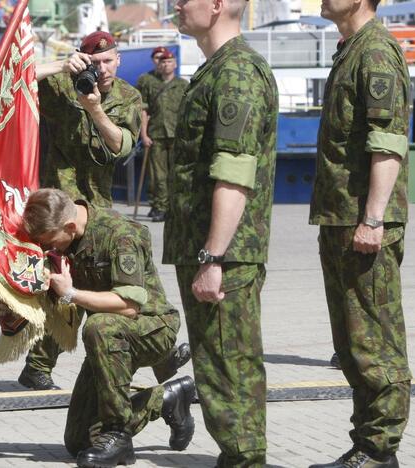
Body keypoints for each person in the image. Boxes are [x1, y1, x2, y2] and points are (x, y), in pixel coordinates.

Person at [162, 0, 278, 466]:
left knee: (229, 367)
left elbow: (234, 174)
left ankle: (245, 459)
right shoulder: (215, 70)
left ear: (216, 6)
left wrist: (213, 257)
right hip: (208, 249)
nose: (176, 4)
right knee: (216, 367)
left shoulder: (236, 73)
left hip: (223, 255)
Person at [21, 188, 196, 468]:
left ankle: (118, 435)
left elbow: (128, 305)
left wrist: (71, 293)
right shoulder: (69, 237)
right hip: (109, 339)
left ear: (69, 226)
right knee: (79, 442)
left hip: (152, 328)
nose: (48, 250)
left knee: (98, 325)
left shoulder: (120, 234)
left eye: (51, 242)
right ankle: (167, 399)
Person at [308, 0, 412, 467]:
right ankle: (367, 446)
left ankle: (379, 449)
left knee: (375, 342)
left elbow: (388, 141)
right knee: (351, 344)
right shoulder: (350, 49)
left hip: (363, 224)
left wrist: (373, 219)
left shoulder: (376, 52)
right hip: (340, 221)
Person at [16, 30, 147, 391]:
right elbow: (12, 78)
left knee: (101, 283)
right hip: (59, 206)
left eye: (108, 61)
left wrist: (95, 109)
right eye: (95, 62)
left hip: (97, 208)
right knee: (63, 285)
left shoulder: (128, 97)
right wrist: (61, 64)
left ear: (118, 60)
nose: (101, 69)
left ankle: (105, 359)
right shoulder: (60, 85)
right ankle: (39, 364)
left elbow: (122, 147)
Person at [138, 50, 188, 222]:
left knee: (177, 173)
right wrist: (143, 134)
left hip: (177, 135)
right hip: (157, 134)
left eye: (170, 61)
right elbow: (144, 110)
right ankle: (160, 207)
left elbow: (188, 112)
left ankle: (174, 207)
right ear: (159, 64)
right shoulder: (150, 83)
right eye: (163, 62)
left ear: (175, 64)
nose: (166, 64)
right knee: (158, 175)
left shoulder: (183, 85)